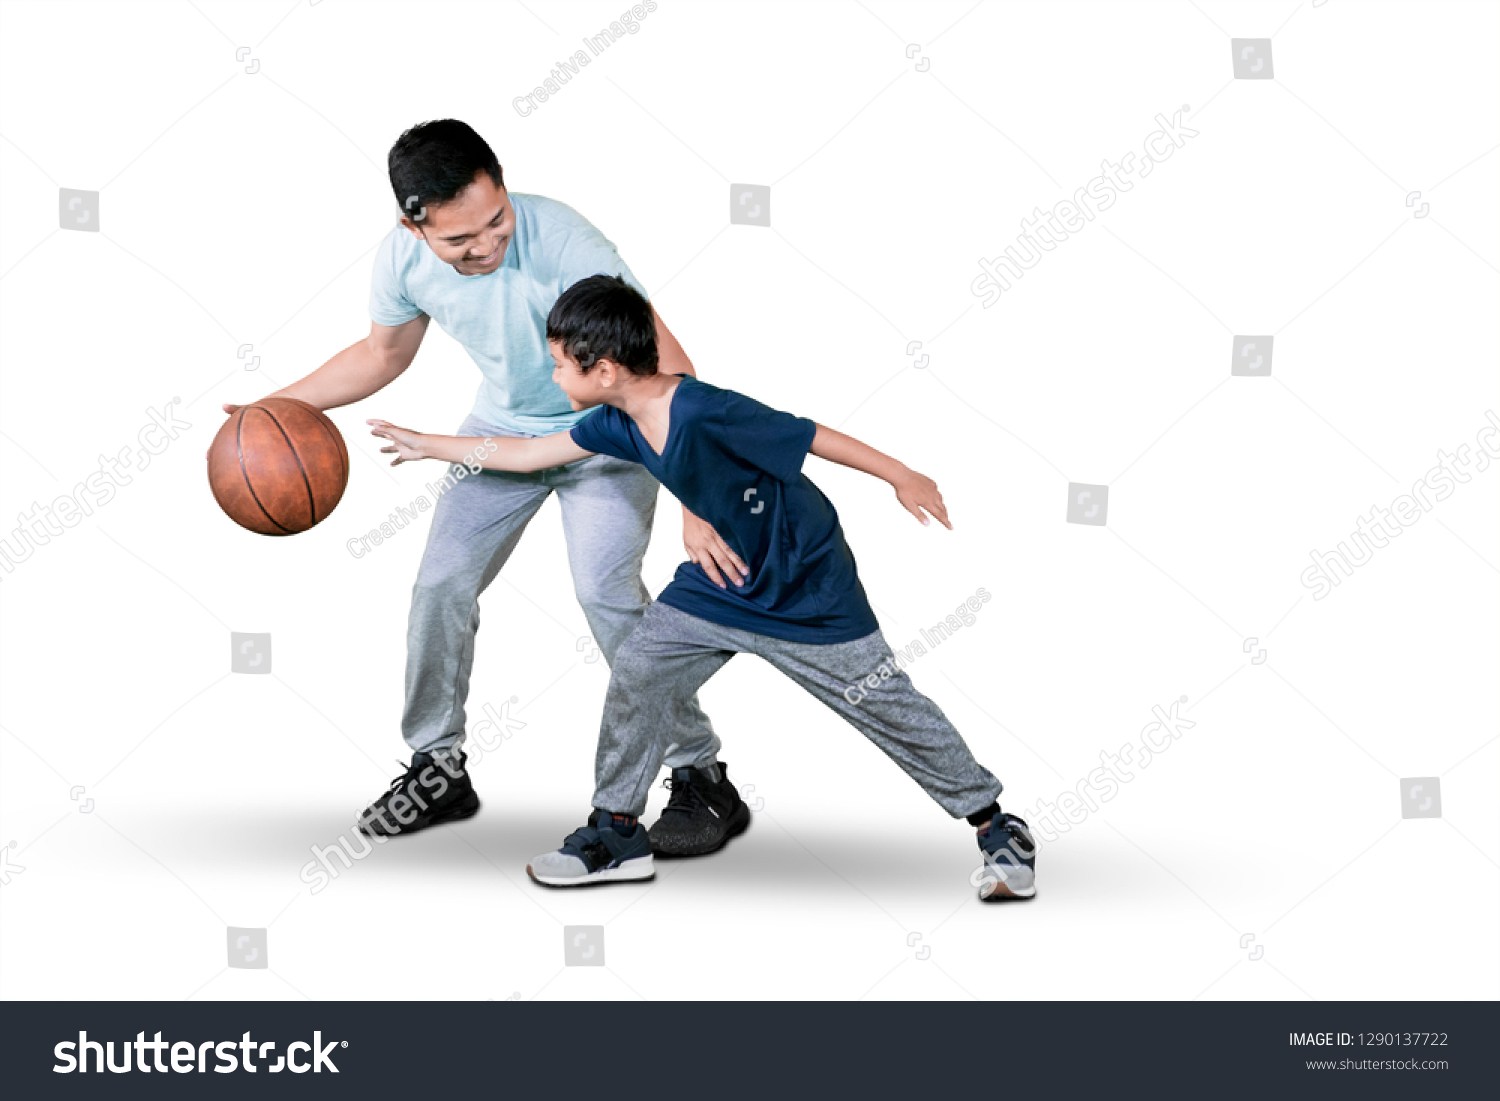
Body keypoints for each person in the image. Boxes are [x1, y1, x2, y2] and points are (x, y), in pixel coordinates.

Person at [367, 274, 1038, 901]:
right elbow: (529, 453)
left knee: (886, 704)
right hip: (717, 586)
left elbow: (807, 436)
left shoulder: (706, 409)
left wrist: (901, 473)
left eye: (559, 362)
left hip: (804, 588)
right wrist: (428, 443)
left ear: (602, 370)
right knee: (638, 666)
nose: (551, 374)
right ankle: (618, 830)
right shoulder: (616, 421)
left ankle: (996, 825)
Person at [217, 120, 750, 855]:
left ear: (503, 188)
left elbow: (669, 368)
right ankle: (438, 766)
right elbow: (382, 354)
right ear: (414, 225)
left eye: (496, 220)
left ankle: (701, 772)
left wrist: (699, 502)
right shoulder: (401, 260)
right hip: (499, 435)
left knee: (605, 594)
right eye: (460, 240)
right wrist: (276, 408)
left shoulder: (566, 242)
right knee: (439, 584)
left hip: (607, 435)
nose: (487, 244)